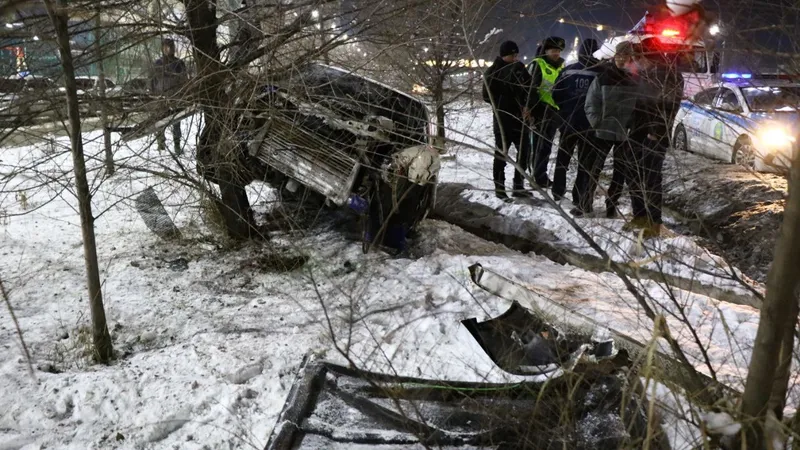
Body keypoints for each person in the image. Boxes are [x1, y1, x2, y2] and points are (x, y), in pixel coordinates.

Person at [616, 43, 684, 236]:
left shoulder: (668, 74)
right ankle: (640, 216)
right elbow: (639, 102)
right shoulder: (647, 73)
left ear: (644, 57)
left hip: (655, 133)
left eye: (635, 59)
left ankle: (654, 223)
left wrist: (655, 131)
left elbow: (668, 106)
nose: (633, 64)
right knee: (632, 171)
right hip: (638, 130)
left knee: (651, 177)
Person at [576, 41, 639, 217]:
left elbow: (637, 108)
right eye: (622, 55)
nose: (624, 59)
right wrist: (597, 123)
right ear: (616, 55)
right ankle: (585, 204)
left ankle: (611, 205)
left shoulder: (634, 80)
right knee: (594, 169)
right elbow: (590, 104)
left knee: (620, 173)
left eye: (628, 56)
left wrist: (631, 126)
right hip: (601, 132)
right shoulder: (603, 76)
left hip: (623, 134)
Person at [551, 38, 602, 202]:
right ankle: (578, 196)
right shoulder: (601, 73)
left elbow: (556, 95)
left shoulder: (568, 71)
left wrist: (564, 113)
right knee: (585, 163)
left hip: (569, 123)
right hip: (590, 126)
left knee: (563, 158)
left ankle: (558, 191)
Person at [483, 40, 534, 200]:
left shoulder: (520, 69)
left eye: (516, 55)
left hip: (520, 119)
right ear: (505, 54)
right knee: (501, 155)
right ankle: (500, 189)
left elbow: (530, 88)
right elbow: (486, 96)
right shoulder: (492, 71)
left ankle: (518, 186)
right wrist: (503, 102)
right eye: (512, 55)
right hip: (502, 120)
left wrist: (527, 106)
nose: (515, 57)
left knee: (525, 152)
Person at [526, 36, 565, 188]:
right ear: (546, 51)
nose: (556, 54)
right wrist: (533, 111)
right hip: (540, 111)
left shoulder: (561, 66)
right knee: (539, 147)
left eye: (558, 51)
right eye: (553, 50)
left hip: (555, 111)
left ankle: (540, 176)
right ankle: (538, 177)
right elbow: (530, 91)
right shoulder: (538, 64)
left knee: (546, 147)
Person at [151, 38, 187, 154]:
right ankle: (161, 144)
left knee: (176, 122)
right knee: (160, 121)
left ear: (173, 48)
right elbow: (152, 80)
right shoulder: (158, 63)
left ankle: (177, 145)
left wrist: (182, 94)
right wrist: (153, 93)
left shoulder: (178, 63)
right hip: (161, 97)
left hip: (175, 97)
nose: (166, 49)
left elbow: (184, 80)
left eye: (169, 47)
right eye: (164, 47)